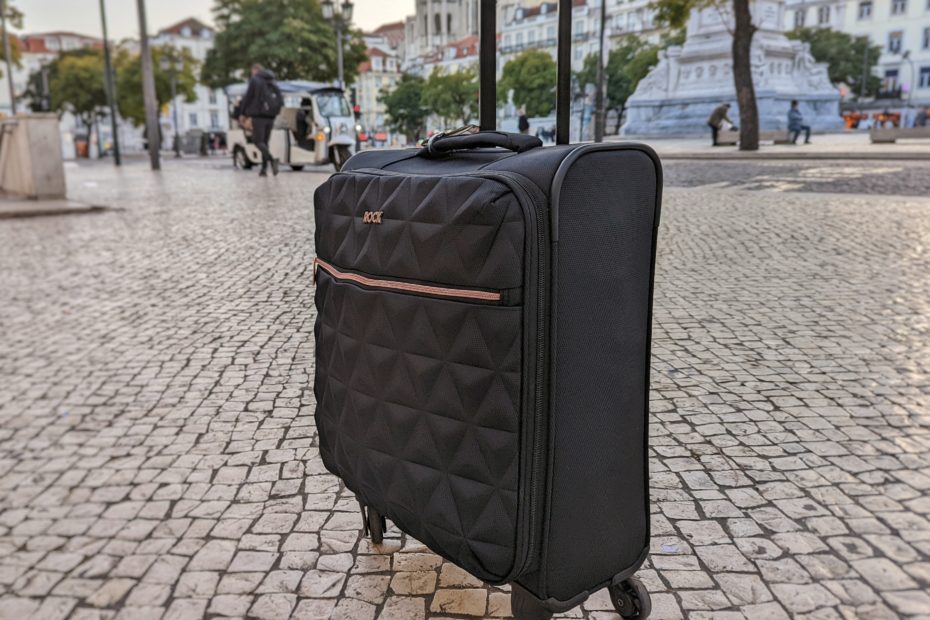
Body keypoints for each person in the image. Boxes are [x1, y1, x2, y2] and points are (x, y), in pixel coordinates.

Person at [239, 63, 284, 176]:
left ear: (255, 70)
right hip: (271, 115)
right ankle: (264, 169)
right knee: (264, 142)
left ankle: (272, 160)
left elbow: (248, 97)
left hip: (258, 115)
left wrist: (242, 113)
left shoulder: (255, 80)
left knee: (257, 141)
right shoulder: (272, 80)